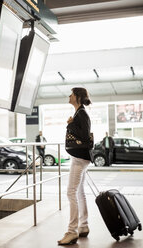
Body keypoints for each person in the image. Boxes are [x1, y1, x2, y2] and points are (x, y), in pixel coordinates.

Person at [58, 87, 92, 245]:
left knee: (71, 192)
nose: (69, 96)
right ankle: (83, 226)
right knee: (79, 192)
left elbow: (84, 135)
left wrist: (70, 124)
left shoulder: (82, 113)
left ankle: (72, 231)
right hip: (80, 158)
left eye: (71, 94)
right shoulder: (81, 112)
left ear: (77, 97)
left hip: (79, 158)